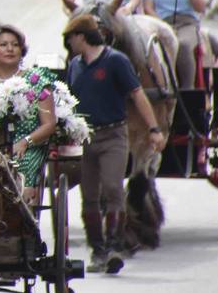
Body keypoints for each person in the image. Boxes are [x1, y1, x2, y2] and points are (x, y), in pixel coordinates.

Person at [62, 14, 167, 276]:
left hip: (113, 136)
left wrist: (154, 128)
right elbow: (70, 100)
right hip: (87, 138)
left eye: (70, 38)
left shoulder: (115, 61)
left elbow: (137, 94)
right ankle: (97, 249)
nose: (68, 44)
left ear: (81, 37)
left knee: (112, 187)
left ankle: (114, 247)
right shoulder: (75, 65)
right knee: (89, 195)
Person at [0, 25, 56, 205]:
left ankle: (25, 206)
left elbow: (49, 124)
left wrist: (26, 141)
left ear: (22, 50)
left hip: (25, 145)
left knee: (22, 165)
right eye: (3, 45)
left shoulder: (37, 80)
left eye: (15, 45)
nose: (10, 49)